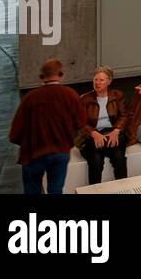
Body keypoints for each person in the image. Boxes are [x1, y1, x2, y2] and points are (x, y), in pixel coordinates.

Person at [8, 58, 86, 195]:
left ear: (41, 77)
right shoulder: (71, 95)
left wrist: (27, 143)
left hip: (33, 153)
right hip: (61, 152)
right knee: (56, 189)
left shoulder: (30, 98)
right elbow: (80, 123)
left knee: (32, 190)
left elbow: (15, 134)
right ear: (61, 75)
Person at [77, 66, 129, 185]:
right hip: (92, 134)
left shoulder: (117, 95)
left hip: (112, 132)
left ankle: (123, 188)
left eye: (101, 80)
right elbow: (81, 122)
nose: (97, 83)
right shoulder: (85, 99)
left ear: (109, 81)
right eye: (95, 79)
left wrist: (117, 130)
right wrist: (94, 133)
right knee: (96, 160)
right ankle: (94, 190)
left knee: (119, 159)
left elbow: (124, 116)